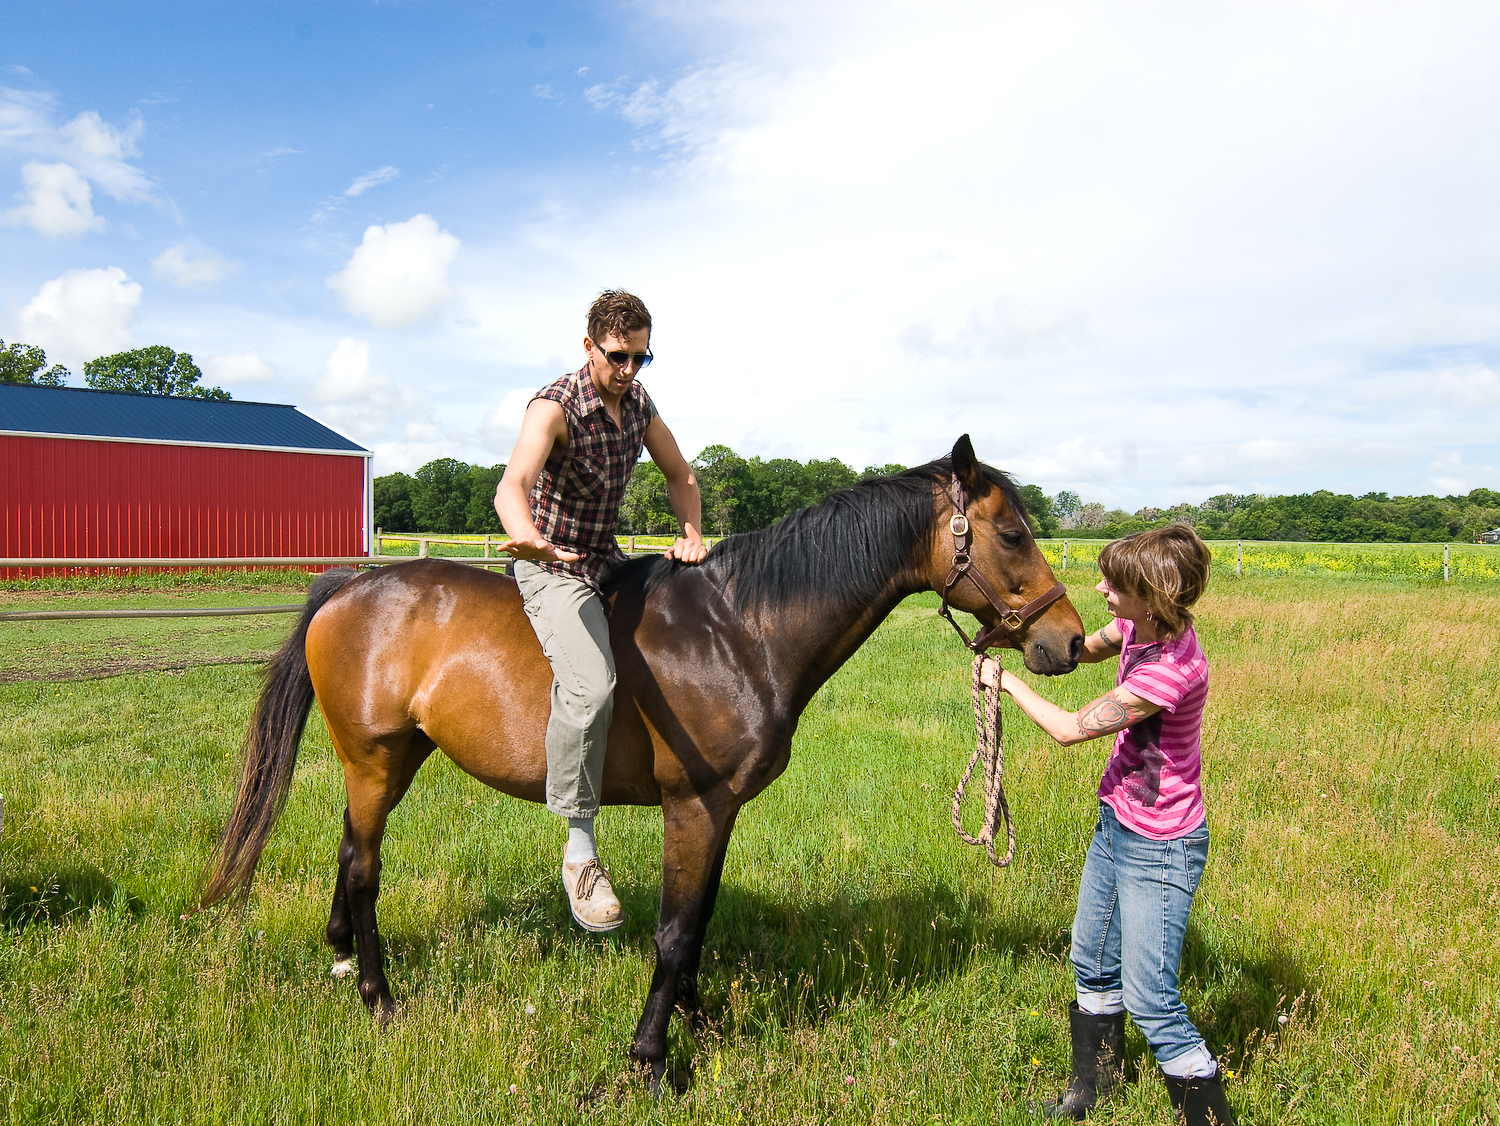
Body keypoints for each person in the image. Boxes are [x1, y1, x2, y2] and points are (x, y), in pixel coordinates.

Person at [981, 525, 1234, 1125]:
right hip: (1117, 821)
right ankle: (1094, 1091)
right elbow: (1084, 649)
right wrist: (1018, 634)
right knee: (1092, 959)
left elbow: (1070, 729)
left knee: (1153, 999)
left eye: (1114, 585)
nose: (1100, 590)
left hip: (1163, 844)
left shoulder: (1171, 672)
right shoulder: (1134, 628)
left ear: (1153, 598)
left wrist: (1007, 683)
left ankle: (1210, 1117)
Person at [495, 290, 707, 933]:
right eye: (619, 357)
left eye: (643, 358)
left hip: (606, 554)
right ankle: (579, 850)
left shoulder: (638, 403)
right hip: (551, 561)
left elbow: (682, 476)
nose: (630, 371)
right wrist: (525, 533)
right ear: (589, 345)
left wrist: (692, 533)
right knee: (590, 687)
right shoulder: (553, 406)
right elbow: (512, 485)